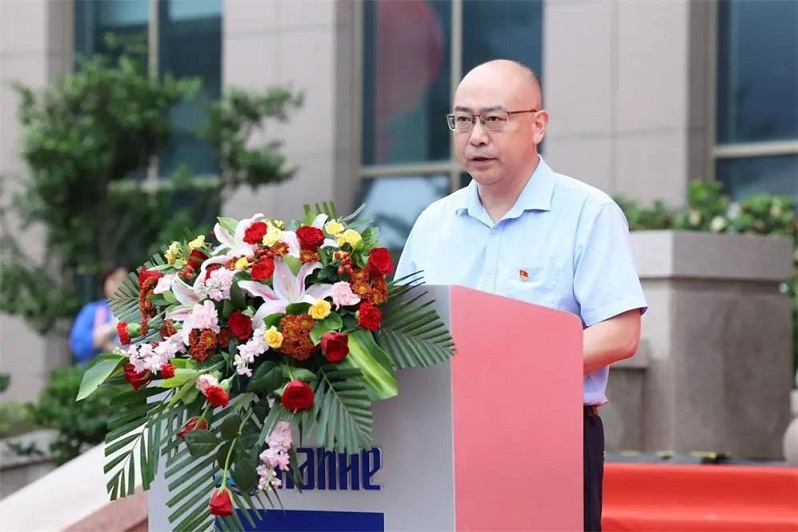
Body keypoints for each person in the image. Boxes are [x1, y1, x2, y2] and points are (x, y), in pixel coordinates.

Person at [393, 59, 648, 532]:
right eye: (463, 120)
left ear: (538, 125)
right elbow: (400, 331)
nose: (476, 136)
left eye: (494, 119)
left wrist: (506, 369)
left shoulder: (588, 213)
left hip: (548, 437)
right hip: (443, 439)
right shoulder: (433, 223)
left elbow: (620, 332)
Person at [69, 264, 129, 364]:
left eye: (124, 280)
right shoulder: (92, 311)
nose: (119, 284)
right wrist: (113, 328)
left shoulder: (141, 311)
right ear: (105, 282)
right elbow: (79, 347)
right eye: (114, 279)